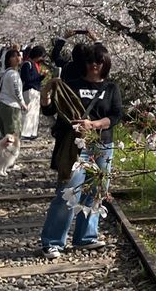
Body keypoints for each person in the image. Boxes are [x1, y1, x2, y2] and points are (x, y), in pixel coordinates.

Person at [38, 41, 122, 259]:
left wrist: (93, 125)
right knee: (69, 192)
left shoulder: (111, 88)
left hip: (102, 145)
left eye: (99, 61)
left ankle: (86, 237)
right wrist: (46, 91)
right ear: (84, 64)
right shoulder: (72, 84)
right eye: (90, 61)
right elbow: (49, 109)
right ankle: (53, 241)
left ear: (106, 63)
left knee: (95, 193)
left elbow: (115, 116)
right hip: (75, 146)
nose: (95, 65)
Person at [0, 48, 25, 140]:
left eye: (18, 55)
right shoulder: (13, 74)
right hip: (11, 106)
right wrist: (22, 103)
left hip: (5, 104)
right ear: (8, 60)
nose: (17, 58)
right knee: (12, 134)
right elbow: (16, 91)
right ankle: (10, 153)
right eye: (13, 56)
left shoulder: (8, 72)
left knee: (6, 135)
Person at [19, 45, 45, 140]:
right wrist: (40, 77)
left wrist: (41, 77)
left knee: (35, 112)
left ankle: (32, 132)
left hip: (35, 90)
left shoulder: (34, 64)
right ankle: (25, 133)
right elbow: (27, 79)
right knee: (29, 112)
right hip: (29, 90)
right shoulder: (27, 64)